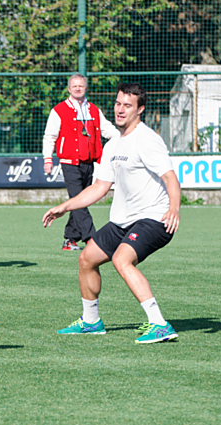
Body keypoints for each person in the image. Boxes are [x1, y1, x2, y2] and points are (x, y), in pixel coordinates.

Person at [42, 83, 181, 344]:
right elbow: (99, 188)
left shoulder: (147, 139)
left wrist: (174, 207)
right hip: (123, 221)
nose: (120, 109)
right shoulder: (113, 144)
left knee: (121, 259)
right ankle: (91, 321)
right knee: (86, 259)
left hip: (154, 218)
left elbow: (170, 178)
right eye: (118, 104)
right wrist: (65, 206)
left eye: (127, 105)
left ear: (140, 110)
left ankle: (159, 323)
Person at [42, 74, 120, 251]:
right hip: (69, 163)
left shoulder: (93, 110)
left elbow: (107, 129)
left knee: (79, 201)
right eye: (74, 86)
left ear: (86, 88)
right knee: (79, 200)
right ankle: (92, 238)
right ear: (69, 89)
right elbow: (50, 136)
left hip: (89, 162)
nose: (78, 88)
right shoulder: (59, 110)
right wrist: (48, 159)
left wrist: (124, 138)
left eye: (81, 86)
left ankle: (70, 239)